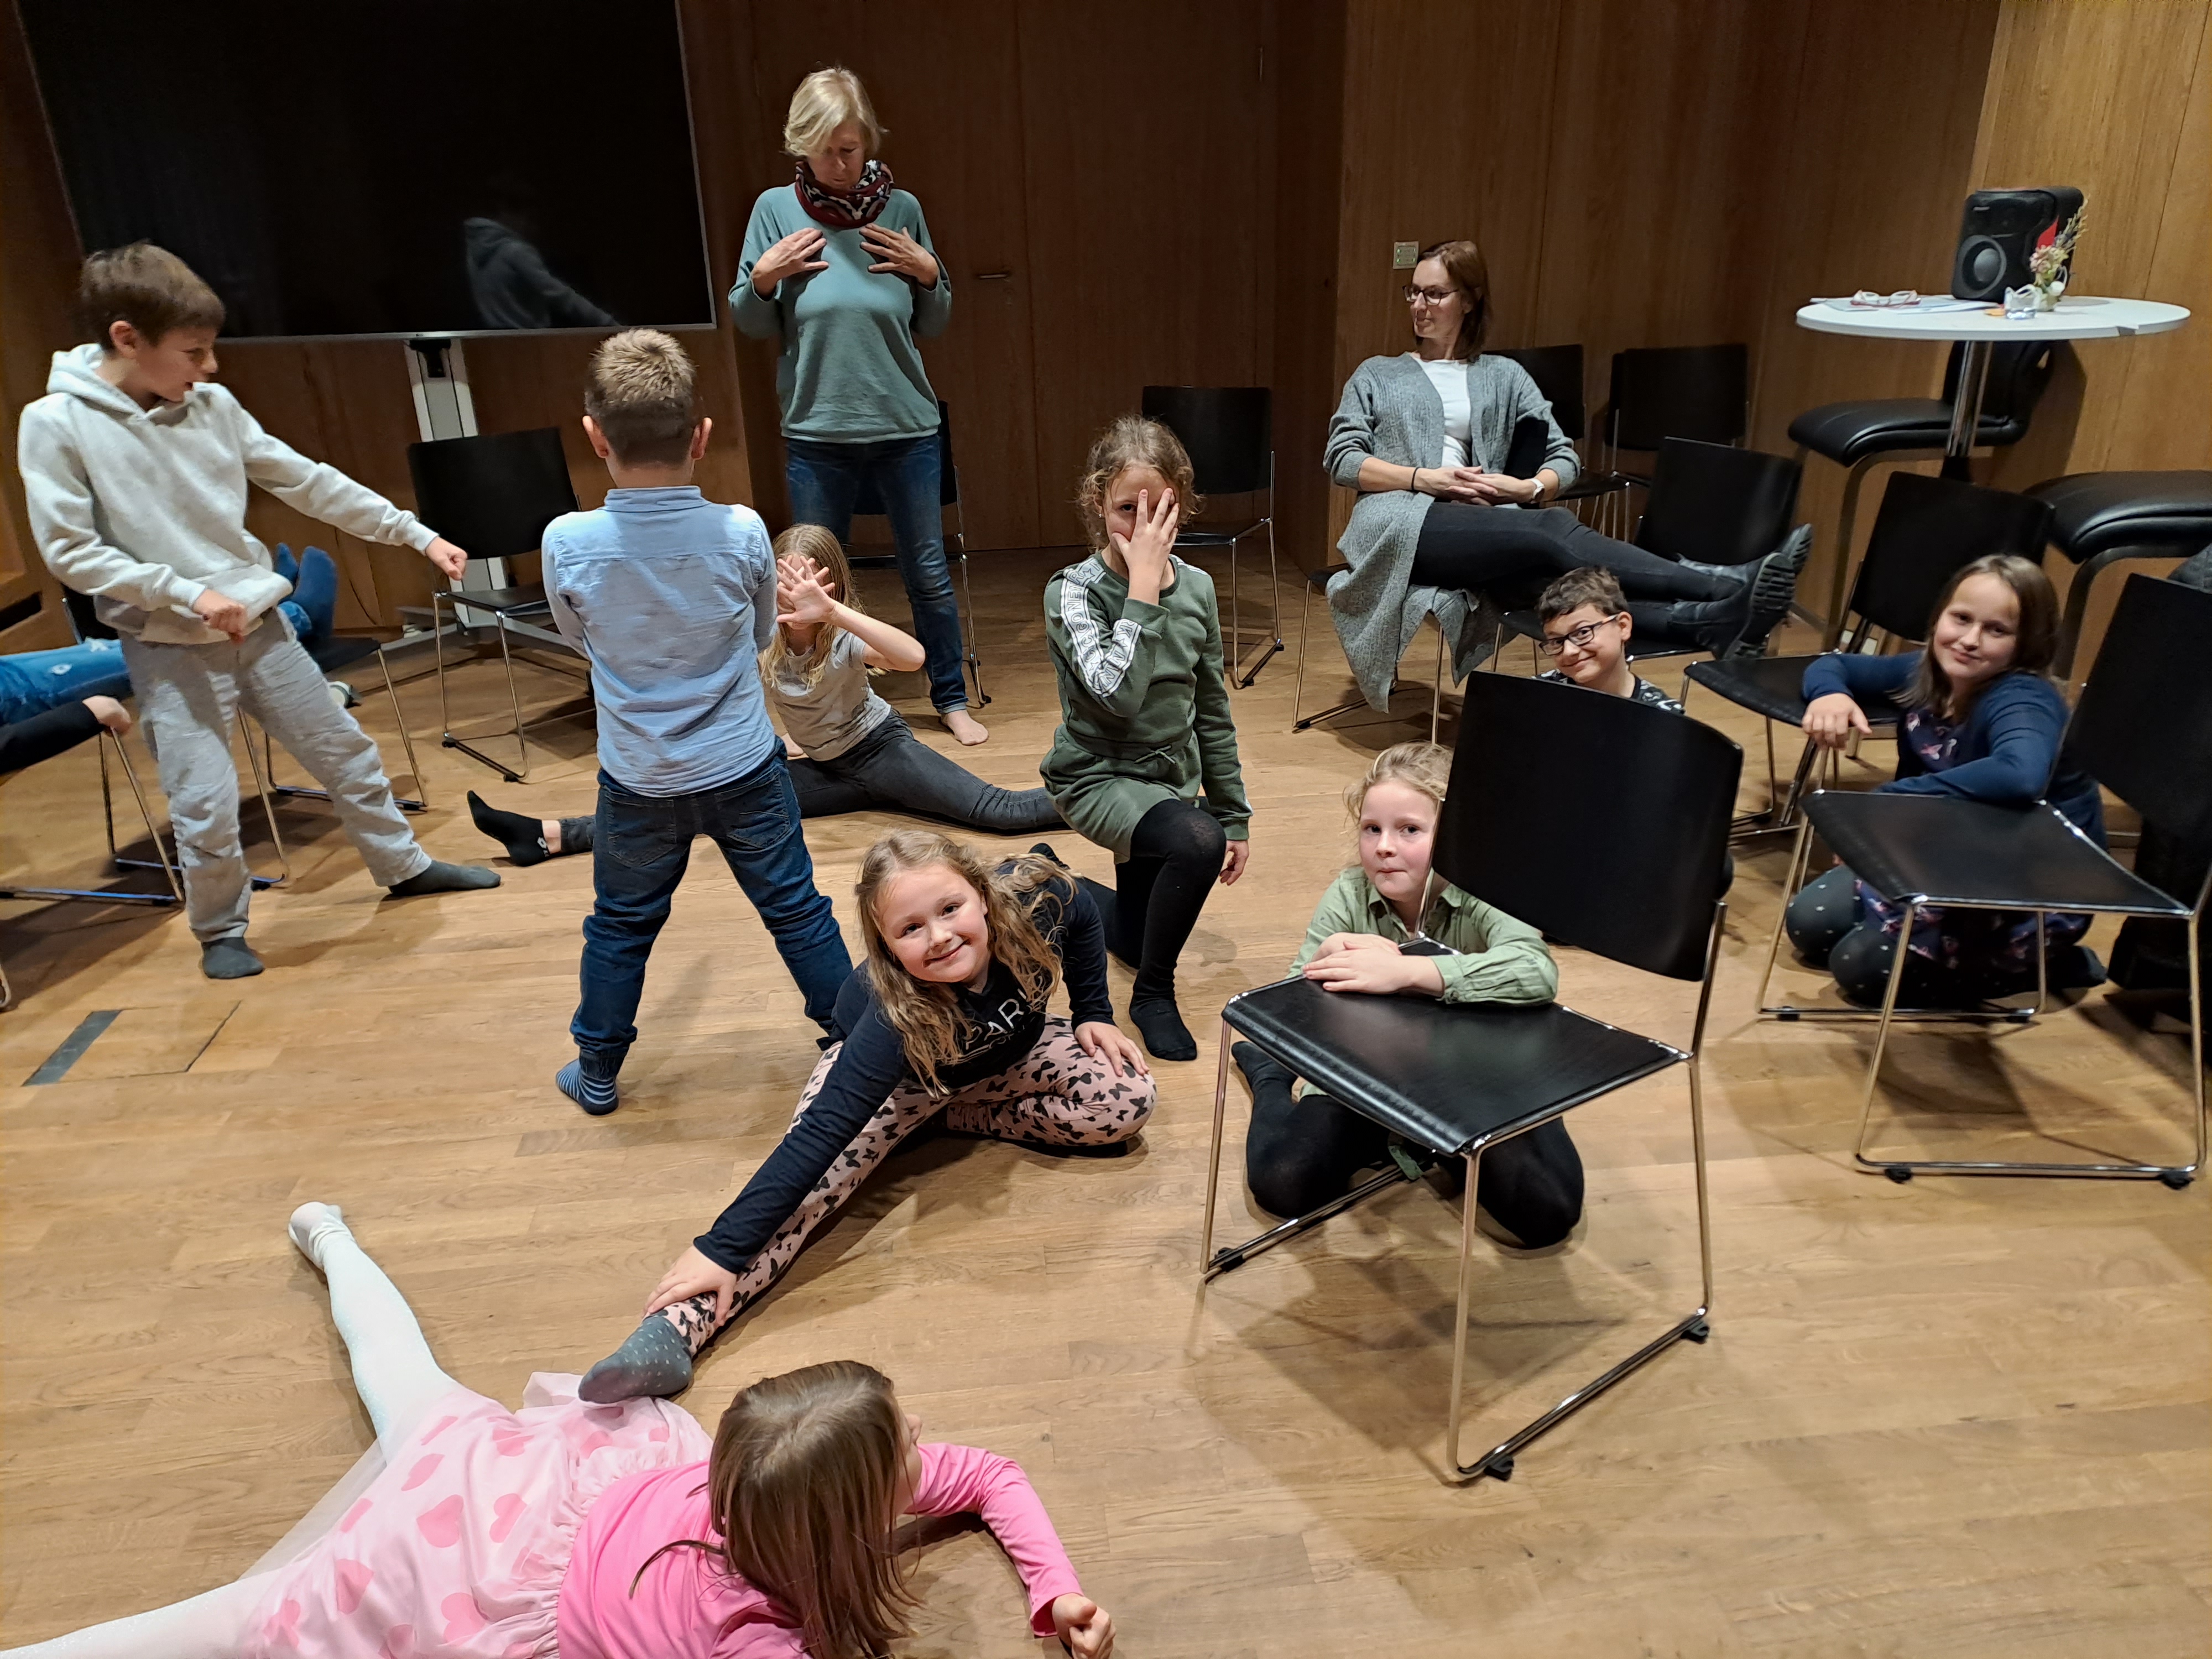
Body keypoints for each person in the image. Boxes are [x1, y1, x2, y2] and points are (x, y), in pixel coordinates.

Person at [0, 1204, 1114, 1659]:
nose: (927, 1436)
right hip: (473, 1579)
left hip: (543, 1483)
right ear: (851, 1517)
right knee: (242, 1620)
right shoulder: (755, 1639)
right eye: (906, 1441)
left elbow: (992, 1475)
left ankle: (330, 1236)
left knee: (412, 1389)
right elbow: (982, 1478)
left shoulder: (767, 1485)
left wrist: (1051, 1588)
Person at [16, 243, 497, 983]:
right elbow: (69, 552)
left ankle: (403, 866)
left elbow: (307, 481)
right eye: (193, 352)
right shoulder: (55, 423)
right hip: (169, 647)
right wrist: (186, 593)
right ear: (126, 339)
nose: (209, 368)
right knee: (204, 800)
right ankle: (221, 930)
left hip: (261, 627)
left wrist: (415, 533)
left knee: (344, 752)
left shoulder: (213, 407)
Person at [581, 831, 1153, 1404]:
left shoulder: (1037, 898)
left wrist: (1094, 1011)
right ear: (886, 945)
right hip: (903, 1083)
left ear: (982, 895)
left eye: (950, 909)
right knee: (813, 1189)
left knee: (1128, 1096)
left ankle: (951, 1120)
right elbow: (818, 1138)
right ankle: (676, 1331)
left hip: (1006, 1057)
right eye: (910, 929)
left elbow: (1081, 910)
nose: (940, 937)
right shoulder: (891, 1020)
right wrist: (720, 1249)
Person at [544, 329, 851, 1117]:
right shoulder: (743, 530)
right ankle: (855, 1043)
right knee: (797, 909)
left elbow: (578, 637)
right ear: (702, 437)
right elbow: (761, 633)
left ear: (595, 437)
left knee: (620, 926)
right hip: (744, 767)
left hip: (638, 780)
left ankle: (598, 1070)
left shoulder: (565, 541)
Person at [1321, 239, 1808, 713]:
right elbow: (1342, 459)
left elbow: (1564, 458)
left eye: (1434, 294)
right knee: (1551, 526)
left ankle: (1709, 622)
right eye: (1413, 292)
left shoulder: (1504, 375)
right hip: (1400, 523)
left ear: (1469, 300)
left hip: (1482, 525)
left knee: (1562, 591)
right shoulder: (1378, 373)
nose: (1418, 305)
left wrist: (1529, 487)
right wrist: (1424, 479)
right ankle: (1723, 585)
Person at [465, 525, 1058, 868]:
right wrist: (773, 741)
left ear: (831, 585)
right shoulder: (762, 633)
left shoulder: (844, 637)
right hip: (824, 768)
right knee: (700, 809)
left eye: (808, 583)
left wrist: (833, 613)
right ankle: (549, 835)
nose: (793, 595)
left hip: (881, 753)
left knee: (999, 814)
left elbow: (912, 658)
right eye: (784, 580)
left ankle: (1105, 793)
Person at [1233, 743, 1585, 1246]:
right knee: (1283, 1182)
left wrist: (1406, 972)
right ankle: (1269, 1079)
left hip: (1478, 1078)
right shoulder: (1348, 893)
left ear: (1456, 836)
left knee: (1547, 1213)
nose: (1384, 847)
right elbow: (1286, 1016)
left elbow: (1535, 970)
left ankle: (1440, 1138)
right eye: (1371, 829)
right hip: (1368, 1078)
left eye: (1410, 830)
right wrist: (1319, 965)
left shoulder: (1489, 889)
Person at [732, 67, 984, 747]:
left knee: (927, 574)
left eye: (849, 149)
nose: (840, 165)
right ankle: (813, 707)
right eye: (824, 152)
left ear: (867, 140)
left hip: (908, 426)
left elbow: (932, 323)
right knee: (810, 580)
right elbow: (752, 324)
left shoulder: (901, 208)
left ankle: (951, 698)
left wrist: (930, 275)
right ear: (800, 146)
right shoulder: (773, 211)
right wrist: (762, 280)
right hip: (817, 431)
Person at [1783, 553, 2105, 1008]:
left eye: (1997, 630)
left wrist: (1887, 804)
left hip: (2022, 884)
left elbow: (2020, 774)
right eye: (1962, 619)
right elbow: (1833, 666)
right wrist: (1830, 695)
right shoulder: (1931, 671)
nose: (1970, 640)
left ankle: (2047, 965)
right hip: (1950, 850)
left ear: (2027, 644)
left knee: (1860, 970)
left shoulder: (2024, 698)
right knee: (1810, 924)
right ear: (1939, 617)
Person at [1042, 417, 1252, 1062]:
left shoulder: (1199, 588)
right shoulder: (1072, 591)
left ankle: (1055, 883)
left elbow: (1212, 709)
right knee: (1195, 841)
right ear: (1097, 504)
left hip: (1167, 780)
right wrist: (1141, 589)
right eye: (1125, 510)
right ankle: (1153, 995)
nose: (1142, 527)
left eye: (1159, 509)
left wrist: (1234, 813)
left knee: (1136, 936)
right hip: (1097, 774)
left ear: (1181, 505)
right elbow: (1117, 696)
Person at [1532, 566, 1686, 711]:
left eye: (1583, 632)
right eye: (1558, 641)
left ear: (1623, 626)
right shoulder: (1534, 693)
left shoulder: (1662, 715)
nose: (1569, 651)